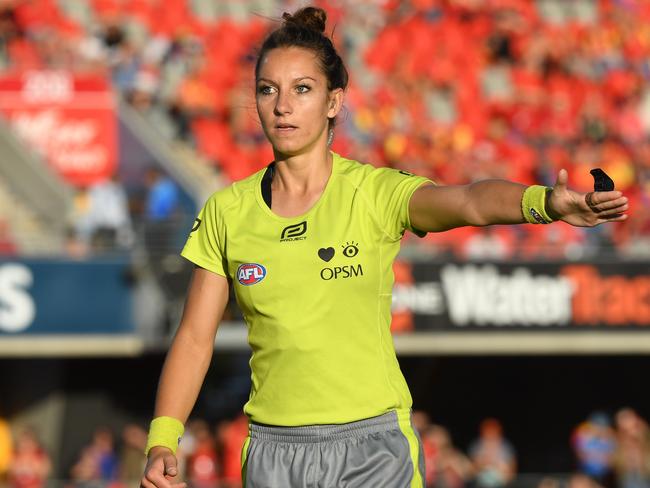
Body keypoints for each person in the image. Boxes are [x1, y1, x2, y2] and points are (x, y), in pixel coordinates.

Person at [140, 6, 629, 488]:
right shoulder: (227, 211)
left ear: (334, 101)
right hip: (273, 453)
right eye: (268, 90)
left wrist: (543, 201)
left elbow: (469, 201)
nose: (282, 105)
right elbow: (194, 338)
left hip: (371, 448)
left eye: (302, 89)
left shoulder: (374, 193)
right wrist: (163, 438)